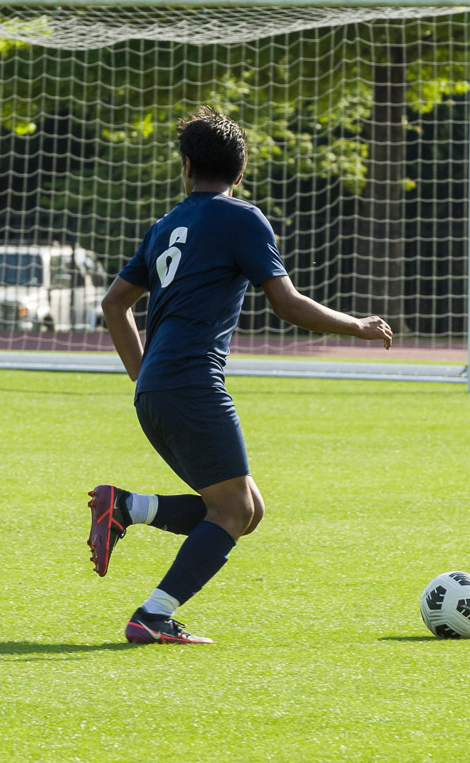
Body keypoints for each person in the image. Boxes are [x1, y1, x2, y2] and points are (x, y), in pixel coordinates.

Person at [89, 107, 393, 645]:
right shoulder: (243, 218)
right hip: (192, 383)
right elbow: (287, 304)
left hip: (156, 387)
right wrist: (357, 325)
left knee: (246, 510)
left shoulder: (165, 227)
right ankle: (153, 616)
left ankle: (128, 507)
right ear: (241, 168)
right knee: (232, 509)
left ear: (186, 167)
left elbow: (115, 305)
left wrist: (145, 378)